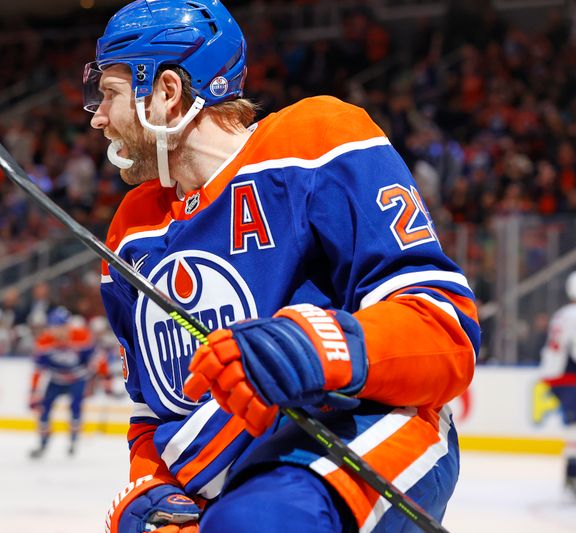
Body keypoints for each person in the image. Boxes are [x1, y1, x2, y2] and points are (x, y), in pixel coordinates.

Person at [85, 2, 480, 532]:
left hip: (358, 424)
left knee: (257, 522)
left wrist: (315, 345)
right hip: (229, 468)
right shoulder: (132, 227)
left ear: (167, 92)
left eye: (108, 94)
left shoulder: (315, 140)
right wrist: (150, 485)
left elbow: (445, 329)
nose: (97, 116)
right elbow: (155, 407)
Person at [28, 306, 95, 458]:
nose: (58, 332)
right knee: (44, 408)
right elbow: (38, 369)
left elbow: (94, 361)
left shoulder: (82, 336)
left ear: (68, 326)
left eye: (61, 327)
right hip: (56, 379)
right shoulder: (44, 341)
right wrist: (33, 391)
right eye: (55, 327)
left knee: (75, 408)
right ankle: (43, 442)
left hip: (78, 378)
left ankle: (73, 441)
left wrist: (100, 380)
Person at [539, 271, 576, 497]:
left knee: (573, 426)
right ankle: (572, 475)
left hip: (556, 377)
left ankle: (571, 475)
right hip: (569, 377)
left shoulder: (563, 313)